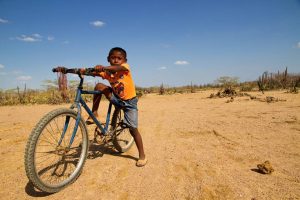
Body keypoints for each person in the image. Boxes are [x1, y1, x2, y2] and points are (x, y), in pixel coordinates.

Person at [86, 47, 147, 167]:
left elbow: (117, 68)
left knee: (133, 129)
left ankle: (142, 156)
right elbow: (90, 72)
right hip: (117, 98)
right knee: (99, 86)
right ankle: (94, 114)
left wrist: (102, 67)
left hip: (129, 103)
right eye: (113, 58)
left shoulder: (125, 68)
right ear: (108, 59)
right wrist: (68, 70)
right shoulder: (106, 72)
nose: (116, 60)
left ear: (124, 60)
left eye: (119, 58)